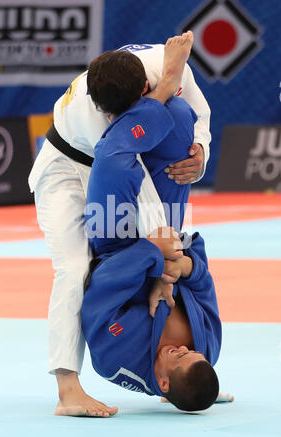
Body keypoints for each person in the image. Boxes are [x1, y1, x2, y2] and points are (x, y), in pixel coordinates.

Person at [28, 32, 212, 417]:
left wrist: (201, 154)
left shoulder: (172, 66)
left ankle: (185, 385)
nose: (113, 117)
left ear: (144, 88)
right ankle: (67, 389)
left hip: (124, 147)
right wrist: (165, 263)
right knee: (75, 267)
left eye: (122, 114)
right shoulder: (92, 109)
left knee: (178, 121)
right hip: (65, 166)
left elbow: (200, 116)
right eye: (110, 114)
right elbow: (130, 170)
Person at [81, 33, 221, 412]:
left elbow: (101, 289)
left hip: (118, 240)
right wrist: (185, 266)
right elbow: (203, 282)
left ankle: (134, 112)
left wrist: (151, 256)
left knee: (115, 157)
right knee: (177, 117)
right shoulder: (209, 347)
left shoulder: (115, 358)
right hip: (171, 236)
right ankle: (155, 102)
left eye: (177, 357)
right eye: (191, 353)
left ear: (162, 385)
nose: (183, 348)